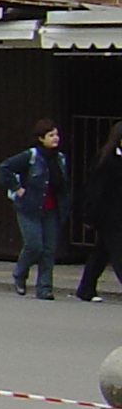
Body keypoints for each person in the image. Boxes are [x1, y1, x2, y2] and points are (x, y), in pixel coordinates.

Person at [0, 119, 69, 300]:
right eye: (51, 135)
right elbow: (5, 168)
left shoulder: (60, 159)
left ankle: (44, 288)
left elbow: (62, 186)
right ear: (41, 138)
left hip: (52, 209)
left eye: (57, 135)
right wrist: (18, 189)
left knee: (49, 250)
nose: (56, 138)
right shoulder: (31, 156)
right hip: (30, 208)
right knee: (34, 245)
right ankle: (20, 274)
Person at [74, 121, 122, 302]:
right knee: (119, 253)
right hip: (109, 216)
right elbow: (94, 190)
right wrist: (88, 216)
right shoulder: (107, 159)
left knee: (101, 253)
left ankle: (85, 289)